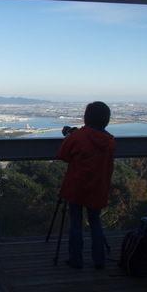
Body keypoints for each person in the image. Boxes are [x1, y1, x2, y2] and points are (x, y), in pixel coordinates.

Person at [57, 101, 116, 269]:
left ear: (87, 117)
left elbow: (63, 155)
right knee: (95, 222)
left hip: (77, 185)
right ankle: (99, 260)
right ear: (106, 119)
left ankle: (76, 259)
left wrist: (69, 136)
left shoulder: (78, 136)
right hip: (99, 187)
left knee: (75, 222)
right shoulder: (110, 140)